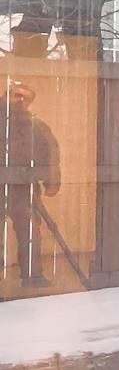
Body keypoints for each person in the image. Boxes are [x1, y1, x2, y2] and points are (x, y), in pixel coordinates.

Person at [3, 80, 60, 288]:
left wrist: (52, 181)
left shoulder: (36, 125)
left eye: (24, 97)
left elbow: (50, 152)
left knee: (30, 234)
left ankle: (32, 275)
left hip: (24, 189)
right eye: (15, 95)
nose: (19, 100)